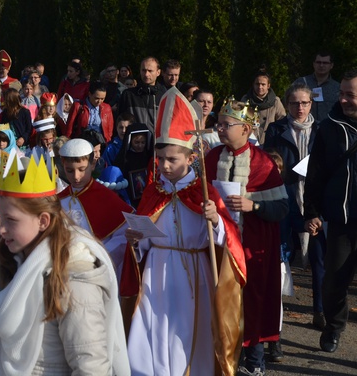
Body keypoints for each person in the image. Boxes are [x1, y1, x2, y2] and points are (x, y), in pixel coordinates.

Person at [0, 152, 130, 375]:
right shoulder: (4, 261)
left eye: (11, 220)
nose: (1, 229)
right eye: (0, 218)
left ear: (43, 221)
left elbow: (90, 366)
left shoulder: (74, 278)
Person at [122, 87, 246, 376]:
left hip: (195, 274)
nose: (164, 166)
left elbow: (230, 243)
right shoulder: (154, 192)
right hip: (157, 272)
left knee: (189, 334)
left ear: (190, 158)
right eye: (160, 159)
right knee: (151, 331)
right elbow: (145, 240)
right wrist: (136, 242)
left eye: (172, 160)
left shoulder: (204, 192)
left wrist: (216, 222)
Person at [205, 99, 288, 375]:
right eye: (218, 124)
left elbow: (282, 208)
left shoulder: (263, 163)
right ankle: (222, 358)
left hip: (252, 247)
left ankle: (254, 364)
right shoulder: (212, 158)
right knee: (219, 300)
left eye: (226, 125)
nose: (220, 129)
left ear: (245, 128)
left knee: (251, 303)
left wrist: (255, 205)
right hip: (218, 246)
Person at [264, 82, 324, 346]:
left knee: (320, 258)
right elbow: (269, 163)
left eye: (305, 103)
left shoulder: (323, 130)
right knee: (283, 256)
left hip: (316, 199)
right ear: (286, 104)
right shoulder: (276, 130)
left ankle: (320, 309)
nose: (300, 108)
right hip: (287, 196)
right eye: (294, 103)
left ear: (311, 104)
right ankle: (274, 325)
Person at [304, 68, 357, 354]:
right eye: (343, 94)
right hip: (342, 221)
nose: (345, 100)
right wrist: (311, 211)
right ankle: (334, 327)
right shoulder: (329, 127)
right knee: (334, 281)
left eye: (351, 95)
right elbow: (315, 174)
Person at [58, 138, 133, 279]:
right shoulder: (59, 200)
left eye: (82, 169)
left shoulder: (107, 198)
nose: (76, 176)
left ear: (92, 164)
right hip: (66, 268)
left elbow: (123, 237)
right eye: (69, 170)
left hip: (98, 268)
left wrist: (98, 257)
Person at [118, 57, 167, 134]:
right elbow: (119, 121)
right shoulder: (128, 95)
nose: (146, 74)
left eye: (150, 71)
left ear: (158, 72)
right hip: (133, 143)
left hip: (156, 144)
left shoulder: (164, 97)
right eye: (143, 70)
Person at [241, 72, 286, 145]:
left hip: (269, 141)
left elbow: (282, 120)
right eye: (257, 84)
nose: (260, 87)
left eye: (263, 84)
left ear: (268, 86)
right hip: (249, 140)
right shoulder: (246, 99)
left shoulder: (275, 101)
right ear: (253, 84)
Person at [114, 123, 152, 207]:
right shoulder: (124, 159)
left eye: (143, 142)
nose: (140, 145)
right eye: (137, 142)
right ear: (130, 141)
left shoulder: (149, 157)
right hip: (130, 198)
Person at [296, 52, 340, 123]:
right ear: (314, 64)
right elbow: (288, 103)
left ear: (331, 65)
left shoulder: (337, 88)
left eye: (325, 63)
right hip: (304, 128)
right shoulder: (301, 83)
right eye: (318, 62)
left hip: (328, 129)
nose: (321, 65)